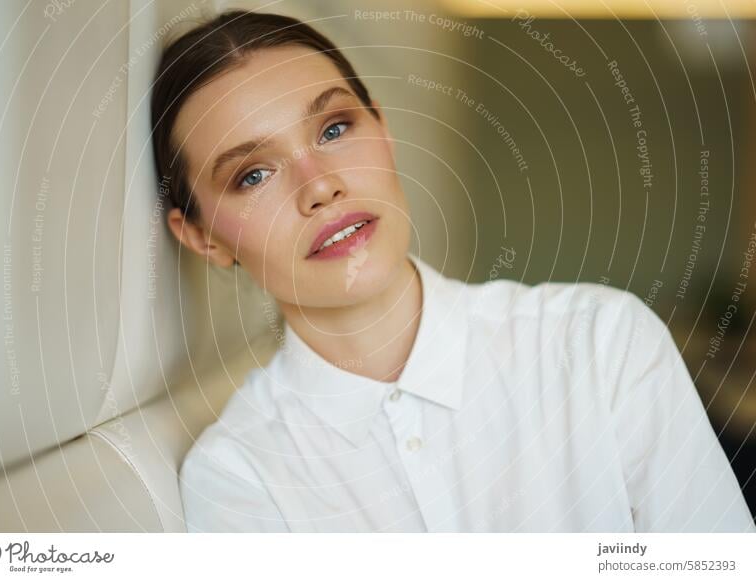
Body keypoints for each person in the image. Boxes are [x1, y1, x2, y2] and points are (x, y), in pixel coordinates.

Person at [150, 8, 755, 532]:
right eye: (252, 175)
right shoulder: (238, 479)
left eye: (334, 129)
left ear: (383, 130)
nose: (320, 187)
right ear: (202, 237)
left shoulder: (600, 343)